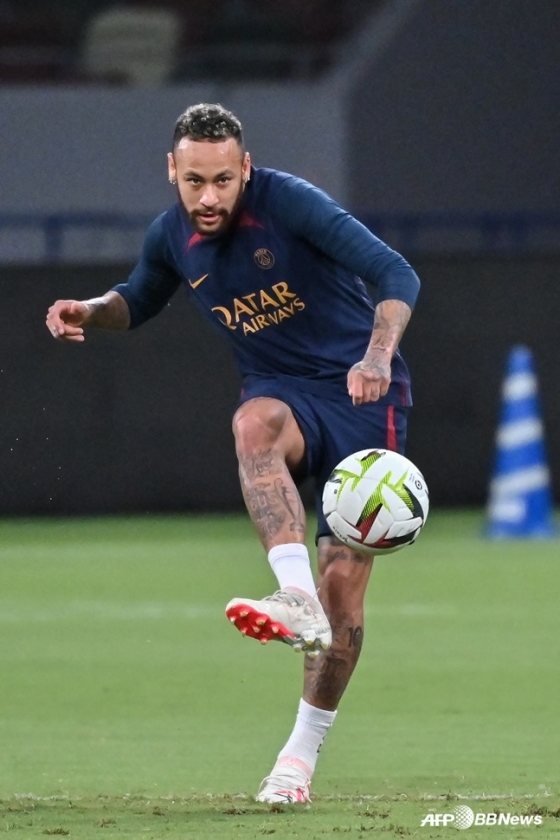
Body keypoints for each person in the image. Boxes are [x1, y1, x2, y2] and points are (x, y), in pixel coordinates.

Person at [46, 102, 420, 804]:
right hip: (283, 392)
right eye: (195, 181)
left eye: (223, 180)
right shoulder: (171, 236)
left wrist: (376, 356)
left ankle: (297, 760)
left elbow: (397, 273)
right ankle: (293, 595)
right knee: (253, 426)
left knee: (343, 590)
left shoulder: (290, 204)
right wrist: (91, 311)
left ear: (245, 167)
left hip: (362, 396)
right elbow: (137, 299)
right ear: (172, 171)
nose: (209, 197)